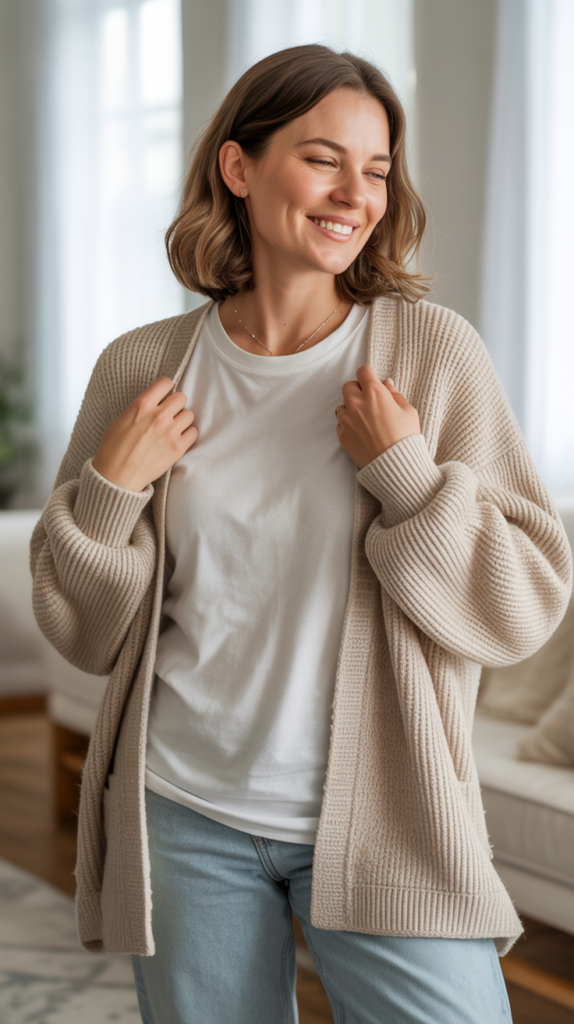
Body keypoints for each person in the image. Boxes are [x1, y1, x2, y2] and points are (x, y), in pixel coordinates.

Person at [31, 44, 571, 1024]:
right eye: (322, 158)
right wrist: (110, 486)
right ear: (238, 168)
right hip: (180, 806)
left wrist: (405, 477)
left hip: (388, 816)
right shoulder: (144, 368)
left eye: (374, 170)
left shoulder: (431, 353)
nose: (353, 194)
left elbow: (523, 599)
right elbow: (82, 632)